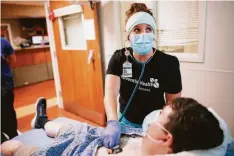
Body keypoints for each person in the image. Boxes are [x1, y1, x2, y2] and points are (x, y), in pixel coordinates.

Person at [0, 97, 224, 156]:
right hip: (101, 136)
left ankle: (5, 140)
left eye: (161, 115)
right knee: (59, 127)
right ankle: (42, 122)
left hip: (76, 152)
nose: (154, 117)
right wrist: (112, 122)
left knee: (13, 148)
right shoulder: (152, 138)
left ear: (167, 138)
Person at [102, 3, 182, 149]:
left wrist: (167, 128)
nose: (143, 34)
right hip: (124, 123)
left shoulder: (169, 63)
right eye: (137, 30)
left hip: (155, 125)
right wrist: (113, 122)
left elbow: (174, 105)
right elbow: (110, 93)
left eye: (148, 29)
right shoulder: (119, 58)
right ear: (128, 35)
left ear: (154, 33)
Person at [1, 37, 17, 143]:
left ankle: (13, 137)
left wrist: (4, 60)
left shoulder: (3, 41)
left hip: (5, 83)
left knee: (8, 112)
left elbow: (13, 60)